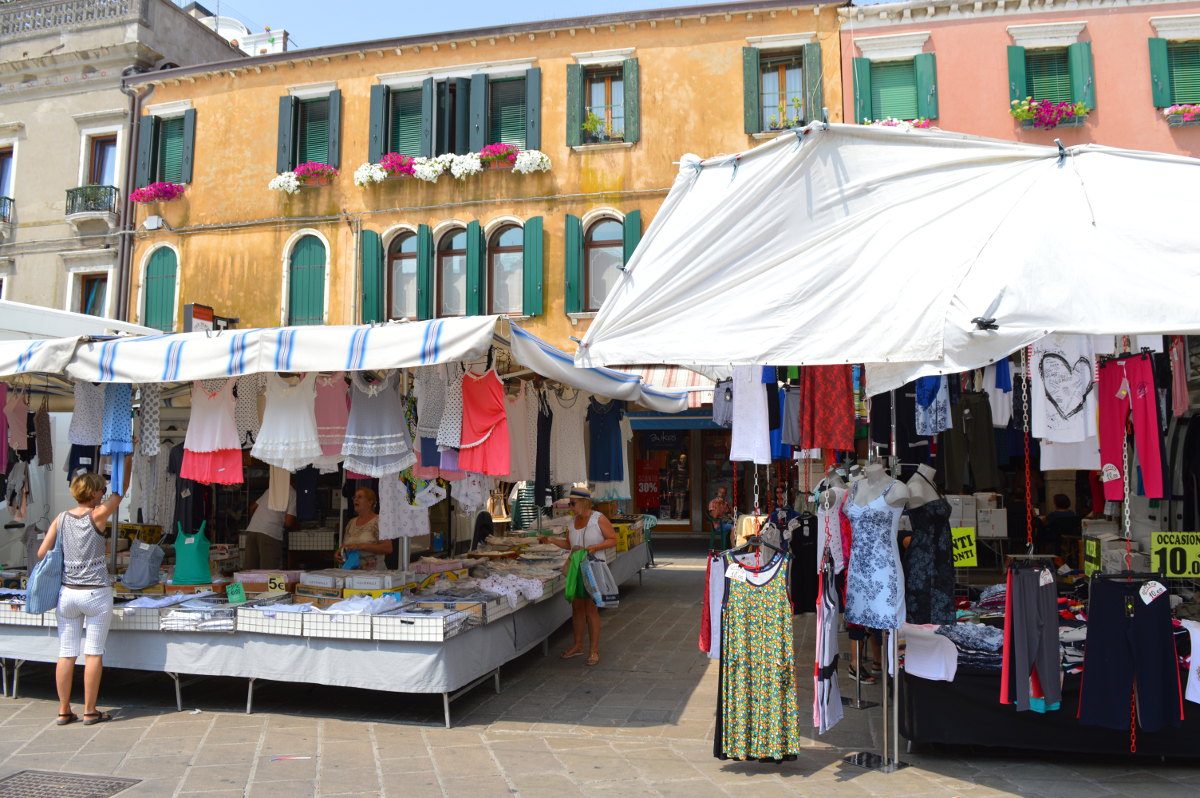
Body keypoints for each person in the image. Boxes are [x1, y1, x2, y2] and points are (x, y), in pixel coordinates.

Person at [38, 461, 131, 726]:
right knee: (93, 653)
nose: (103, 493)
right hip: (96, 593)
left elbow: (42, 552)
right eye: (101, 489)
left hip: (67, 593)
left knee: (66, 653)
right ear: (92, 493)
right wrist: (129, 456)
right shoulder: (97, 515)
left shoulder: (61, 517)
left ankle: (64, 710)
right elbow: (121, 491)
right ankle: (90, 710)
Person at [538, 487, 617, 666]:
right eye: (569, 504)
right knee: (577, 609)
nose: (570, 507)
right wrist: (550, 540)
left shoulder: (599, 519)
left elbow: (613, 539)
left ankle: (594, 650)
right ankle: (578, 645)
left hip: (593, 567)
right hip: (576, 568)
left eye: (572, 504)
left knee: (591, 611)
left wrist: (595, 547)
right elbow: (568, 544)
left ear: (584, 502)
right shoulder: (572, 521)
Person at [244, 485, 296, 570]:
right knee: (269, 571)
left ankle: (248, 584)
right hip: (270, 533)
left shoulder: (271, 489)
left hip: (252, 530)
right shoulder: (292, 493)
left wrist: (258, 523)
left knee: (249, 571)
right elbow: (288, 522)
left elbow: (252, 508)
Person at [337, 487, 392, 570]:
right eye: (354, 497)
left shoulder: (379, 521)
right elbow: (345, 546)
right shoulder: (351, 523)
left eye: (359, 497)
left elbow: (388, 548)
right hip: (352, 575)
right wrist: (339, 553)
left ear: (370, 502)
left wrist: (362, 546)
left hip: (374, 576)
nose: (355, 499)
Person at [1043, 493, 1081, 558]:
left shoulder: (1053, 515)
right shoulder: (1071, 513)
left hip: (1054, 536)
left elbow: (1045, 524)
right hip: (1069, 535)